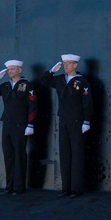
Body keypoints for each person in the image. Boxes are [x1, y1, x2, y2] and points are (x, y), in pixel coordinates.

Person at [42, 54, 94, 198]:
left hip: (77, 121)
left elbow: (87, 102)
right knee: (65, 154)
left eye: (69, 63)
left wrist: (87, 121)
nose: (66, 66)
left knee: (77, 154)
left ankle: (76, 188)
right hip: (63, 120)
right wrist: (51, 71)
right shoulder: (59, 80)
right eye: (64, 63)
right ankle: (66, 188)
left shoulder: (82, 81)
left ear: (75, 65)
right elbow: (45, 81)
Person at [0, 60, 37, 196]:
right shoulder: (6, 85)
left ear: (20, 70)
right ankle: (9, 186)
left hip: (20, 124)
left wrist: (30, 124)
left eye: (13, 69)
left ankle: (19, 187)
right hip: (7, 124)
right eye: (8, 70)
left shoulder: (26, 85)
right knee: (8, 156)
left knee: (19, 156)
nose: (10, 72)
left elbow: (32, 106)